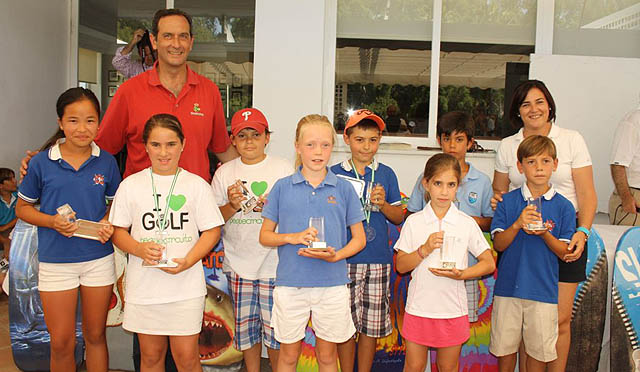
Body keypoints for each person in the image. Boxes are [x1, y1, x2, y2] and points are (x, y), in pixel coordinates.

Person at [21, 8, 237, 183]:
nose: (176, 44)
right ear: (154, 41)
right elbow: (98, 145)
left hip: (194, 209)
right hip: (140, 209)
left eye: (183, 36)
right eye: (168, 36)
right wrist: (45, 158)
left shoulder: (208, 91)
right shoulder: (130, 91)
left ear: (191, 41)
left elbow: (222, 148)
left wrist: (260, 169)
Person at [491, 79, 596, 372]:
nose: (533, 109)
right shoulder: (507, 145)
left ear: (549, 105)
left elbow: (587, 194)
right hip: (521, 241)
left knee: (559, 318)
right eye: (525, 104)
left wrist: (582, 231)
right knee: (526, 321)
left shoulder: (571, 139)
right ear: (517, 111)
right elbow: (499, 191)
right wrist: (504, 207)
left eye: (539, 102)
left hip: (566, 236)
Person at [15, 87, 121, 372]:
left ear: (99, 123)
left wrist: (107, 220)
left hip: (98, 259)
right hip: (56, 262)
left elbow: (116, 204)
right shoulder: (40, 163)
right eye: (73, 120)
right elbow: (22, 209)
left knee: (95, 336)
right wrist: (51, 221)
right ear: (61, 123)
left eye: (90, 120)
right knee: (61, 342)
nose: (82, 128)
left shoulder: (107, 162)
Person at [110, 114, 224, 371]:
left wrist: (189, 261)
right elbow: (118, 232)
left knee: (187, 358)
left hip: (185, 288)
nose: (164, 152)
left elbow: (212, 231)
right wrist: (139, 248)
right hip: (145, 288)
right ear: (145, 146)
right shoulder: (131, 185)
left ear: (183, 144)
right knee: (150, 358)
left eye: (171, 144)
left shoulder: (196, 186)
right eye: (156, 144)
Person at [259, 114, 366, 372]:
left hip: (332, 285)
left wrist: (336, 256)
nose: (318, 152)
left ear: (333, 146)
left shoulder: (343, 189)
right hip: (290, 285)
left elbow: (359, 239)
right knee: (288, 356)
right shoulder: (282, 187)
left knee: (328, 356)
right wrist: (292, 238)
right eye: (310, 145)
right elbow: (265, 236)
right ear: (297, 146)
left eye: (325, 145)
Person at [395, 153, 495, 372]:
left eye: (451, 184)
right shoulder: (414, 222)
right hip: (419, 307)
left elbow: (488, 263)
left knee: (447, 367)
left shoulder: (465, 223)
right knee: (414, 366)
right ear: (426, 184)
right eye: (438, 183)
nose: (443, 191)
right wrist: (424, 249)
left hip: (452, 310)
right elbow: (401, 266)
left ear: (458, 187)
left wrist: (462, 274)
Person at [210, 108, 292, 372]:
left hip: (274, 263)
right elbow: (213, 219)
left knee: (276, 333)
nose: (249, 141)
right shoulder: (224, 172)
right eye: (241, 135)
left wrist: (273, 208)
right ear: (233, 140)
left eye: (255, 134)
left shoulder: (282, 168)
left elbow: (294, 213)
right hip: (238, 264)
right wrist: (233, 205)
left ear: (267, 137)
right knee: (247, 331)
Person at [490, 135, 576, 372]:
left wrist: (544, 234)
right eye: (531, 162)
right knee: (505, 350)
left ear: (555, 165)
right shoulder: (507, 202)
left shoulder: (564, 206)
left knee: (538, 354)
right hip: (508, 289)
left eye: (545, 161)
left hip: (543, 292)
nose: (539, 168)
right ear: (520, 166)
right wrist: (517, 224)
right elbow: (499, 244)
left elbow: (564, 251)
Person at [329, 109, 404, 372]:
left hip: (378, 260)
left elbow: (398, 217)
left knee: (371, 326)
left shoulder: (386, 174)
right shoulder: (333, 174)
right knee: (344, 325)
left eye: (372, 139)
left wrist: (382, 205)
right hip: (344, 260)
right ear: (346, 138)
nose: (366, 146)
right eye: (359, 139)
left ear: (380, 140)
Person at [406, 111, 493, 324]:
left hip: (466, 268)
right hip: (428, 267)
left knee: (458, 327)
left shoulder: (481, 181)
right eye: (447, 139)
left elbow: (491, 222)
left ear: (471, 143)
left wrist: (469, 222)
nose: (452, 145)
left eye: (460, 139)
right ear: (439, 141)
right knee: (424, 326)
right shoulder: (425, 177)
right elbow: (412, 213)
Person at [609, 103, 640, 225]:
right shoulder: (633, 122)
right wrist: (626, 199)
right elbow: (617, 164)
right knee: (631, 243)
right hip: (633, 196)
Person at [0, 168, 18, 260]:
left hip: (15, 231)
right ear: (1, 185)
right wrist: (5, 241)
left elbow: (23, 215)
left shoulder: (19, 195)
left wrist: (5, 227)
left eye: (14, 178)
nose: (15, 181)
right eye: (10, 179)